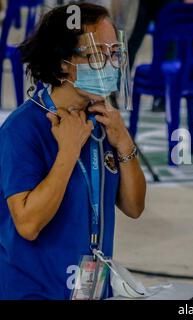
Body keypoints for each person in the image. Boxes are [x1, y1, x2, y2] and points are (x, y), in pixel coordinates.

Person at [0, 3, 146, 299]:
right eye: (96, 56)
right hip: (33, 291)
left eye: (113, 54)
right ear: (63, 62)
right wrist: (67, 153)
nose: (109, 65)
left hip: (89, 289)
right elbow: (28, 224)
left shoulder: (103, 122)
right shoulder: (23, 128)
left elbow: (134, 207)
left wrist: (124, 144)